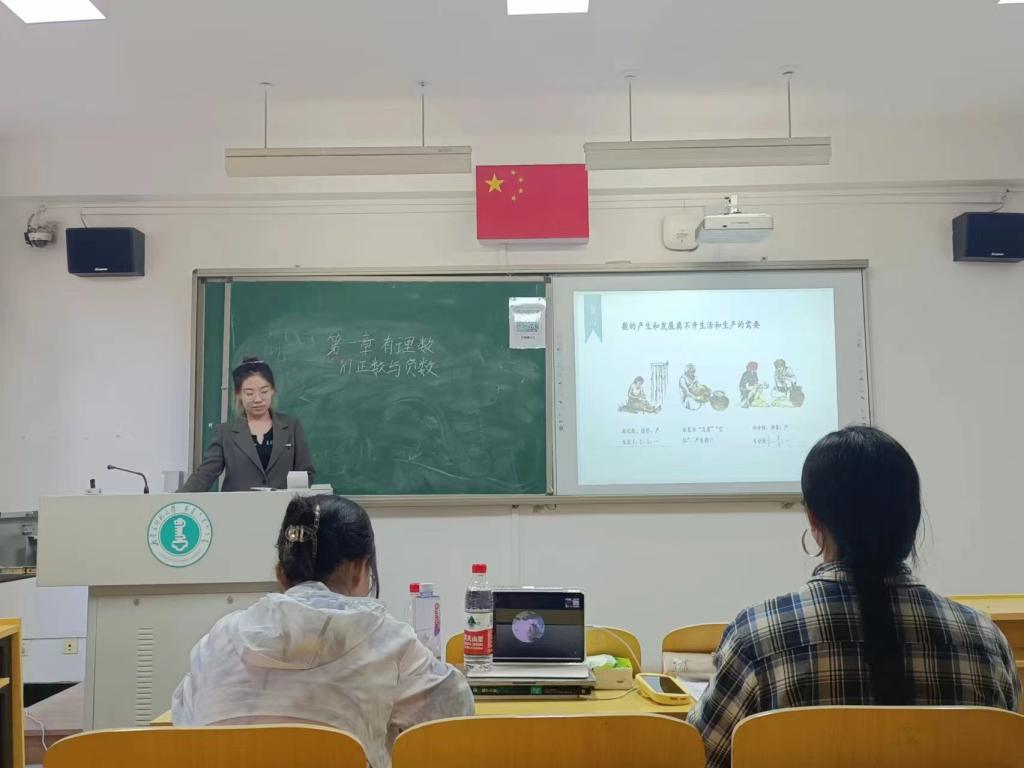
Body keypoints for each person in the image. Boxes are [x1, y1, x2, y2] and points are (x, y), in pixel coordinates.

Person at [689, 427, 1021, 768]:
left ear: (813, 519)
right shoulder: (986, 641)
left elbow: (696, 755)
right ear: (912, 519)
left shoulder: (756, 638)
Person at [172, 495, 474, 768]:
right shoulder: (388, 640)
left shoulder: (219, 639)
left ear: (281, 574)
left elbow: (185, 726)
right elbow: (457, 716)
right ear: (360, 569)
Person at [180, 357, 315, 492]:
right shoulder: (225, 432)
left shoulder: (291, 426)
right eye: (249, 393)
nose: (258, 399)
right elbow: (205, 474)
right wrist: (176, 499)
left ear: (273, 390)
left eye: (264, 391)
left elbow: (306, 473)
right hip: (237, 505)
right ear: (238, 394)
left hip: (282, 504)